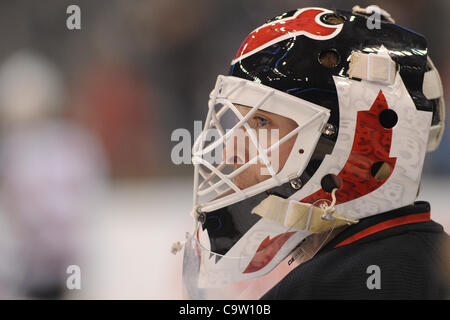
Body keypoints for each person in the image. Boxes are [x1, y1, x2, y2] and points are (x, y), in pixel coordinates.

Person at [175, 5, 449, 299]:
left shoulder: (320, 289)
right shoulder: (433, 260)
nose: (230, 153)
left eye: (262, 122)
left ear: (355, 142)